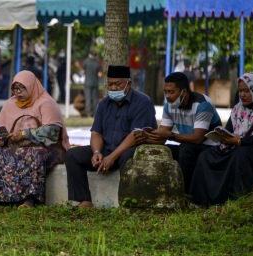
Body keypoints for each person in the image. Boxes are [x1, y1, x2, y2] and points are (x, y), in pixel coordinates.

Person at [0, 70, 70, 209]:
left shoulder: (46, 102)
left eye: (22, 88)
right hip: (16, 145)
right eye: (15, 89)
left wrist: (24, 134)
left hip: (49, 148)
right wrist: (1, 140)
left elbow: (52, 132)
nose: (18, 92)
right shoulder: (10, 104)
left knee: (32, 153)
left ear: (31, 86)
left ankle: (29, 200)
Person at [65, 65, 157, 209]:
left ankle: (127, 202)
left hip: (129, 150)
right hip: (107, 150)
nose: (113, 88)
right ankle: (84, 201)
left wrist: (112, 157)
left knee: (128, 156)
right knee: (72, 155)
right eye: (110, 84)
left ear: (129, 84)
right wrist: (97, 152)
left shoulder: (143, 102)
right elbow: (96, 132)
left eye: (117, 84)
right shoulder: (104, 104)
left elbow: (135, 136)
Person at [189, 72, 253, 206]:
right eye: (240, 91)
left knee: (239, 155)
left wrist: (240, 141)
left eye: (247, 91)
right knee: (206, 156)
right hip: (236, 147)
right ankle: (200, 201)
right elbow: (229, 129)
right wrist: (222, 136)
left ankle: (235, 200)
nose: (242, 95)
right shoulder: (238, 108)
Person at [145, 72, 222, 194]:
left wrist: (170, 135)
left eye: (171, 92)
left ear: (184, 92)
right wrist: (145, 138)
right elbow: (162, 136)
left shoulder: (203, 104)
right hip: (188, 145)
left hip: (211, 147)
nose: (167, 96)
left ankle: (186, 194)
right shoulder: (169, 106)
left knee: (185, 150)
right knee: (161, 150)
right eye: (165, 92)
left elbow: (197, 139)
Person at [82, 52, 102, 117]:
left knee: (88, 98)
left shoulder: (86, 62)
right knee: (95, 99)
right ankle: (94, 113)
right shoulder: (97, 63)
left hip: (87, 83)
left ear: (89, 55)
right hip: (95, 83)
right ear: (95, 55)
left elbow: (83, 71)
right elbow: (99, 74)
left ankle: (88, 113)